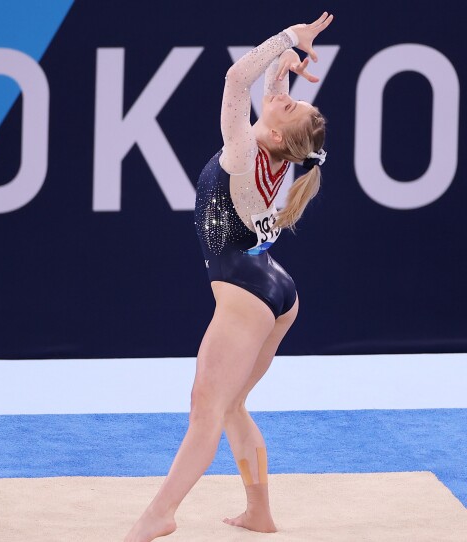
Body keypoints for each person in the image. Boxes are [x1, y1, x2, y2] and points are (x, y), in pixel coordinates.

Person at [124, 12, 334, 542]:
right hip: (276, 288)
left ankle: (161, 513)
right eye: (290, 98)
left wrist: (287, 39)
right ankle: (259, 514)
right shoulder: (282, 157)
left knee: (206, 410)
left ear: (279, 133)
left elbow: (236, 79)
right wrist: (288, 64)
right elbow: (270, 94)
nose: (283, 98)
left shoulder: (243, 153)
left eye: (289, 106)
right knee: (233, 404)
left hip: (245, 291)